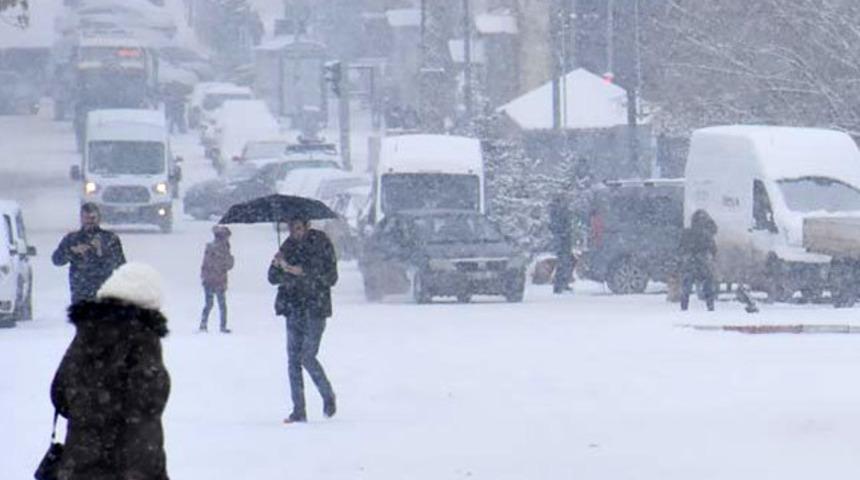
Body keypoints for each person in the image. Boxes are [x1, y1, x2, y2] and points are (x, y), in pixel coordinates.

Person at [50, 262, 171, 480]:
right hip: (133, 461)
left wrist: (88, 414)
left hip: (80, 459)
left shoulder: (86, 332)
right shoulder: (142, 337)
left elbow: (59, 393)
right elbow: (149, 399)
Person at [268, 217, 338, 423]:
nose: (294, 232)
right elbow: (273, 277)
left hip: (316, 308)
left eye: (298, 227)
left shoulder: (321, 243)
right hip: (293, 308)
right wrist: (278, 265)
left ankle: (327, 395)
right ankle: (299, 409)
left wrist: (301, 272)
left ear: (307, 226)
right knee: (293, 361)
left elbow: (330, 277)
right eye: (291, 228)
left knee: (307, 356)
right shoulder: (287, 246)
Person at [52, 203, 126, 304]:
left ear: (99, 218)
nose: (90, 221)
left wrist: (101, 251)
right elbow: (57, 260)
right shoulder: (72, 238)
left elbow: (120, 264)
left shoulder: (110, 238)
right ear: (81, 219)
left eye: (93, 218)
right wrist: (72, 252)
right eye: (86, 218)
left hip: (104, 290)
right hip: (80, 292)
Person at [678, 209, 718, 311]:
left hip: (690, 262)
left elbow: (680, 248)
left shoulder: (687, 233)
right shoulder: (707, 235)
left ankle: (684, 306)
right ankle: (710, 306)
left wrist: (684, 257)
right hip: (702, 262)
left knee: (686, 285)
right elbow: (713, 250)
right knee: (708, 283)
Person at [200, 225, 234, 333]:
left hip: (210, 280)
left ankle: (204, 324)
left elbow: (206, 265)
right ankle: (221, 326)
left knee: (209, 304)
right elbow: (228, 265)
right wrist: (230, 258)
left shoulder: (211, 248)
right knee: (221, 305)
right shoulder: (221, 249)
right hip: (217, 280)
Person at [548, 193, 574, 294]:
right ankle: (559, 285)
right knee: (563, 262)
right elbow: (557, 226)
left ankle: (563, 282)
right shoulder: (557, 211)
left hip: (564, 239)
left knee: (567, 261)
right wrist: (563, 233)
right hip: (562, 240)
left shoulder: (560, 210)